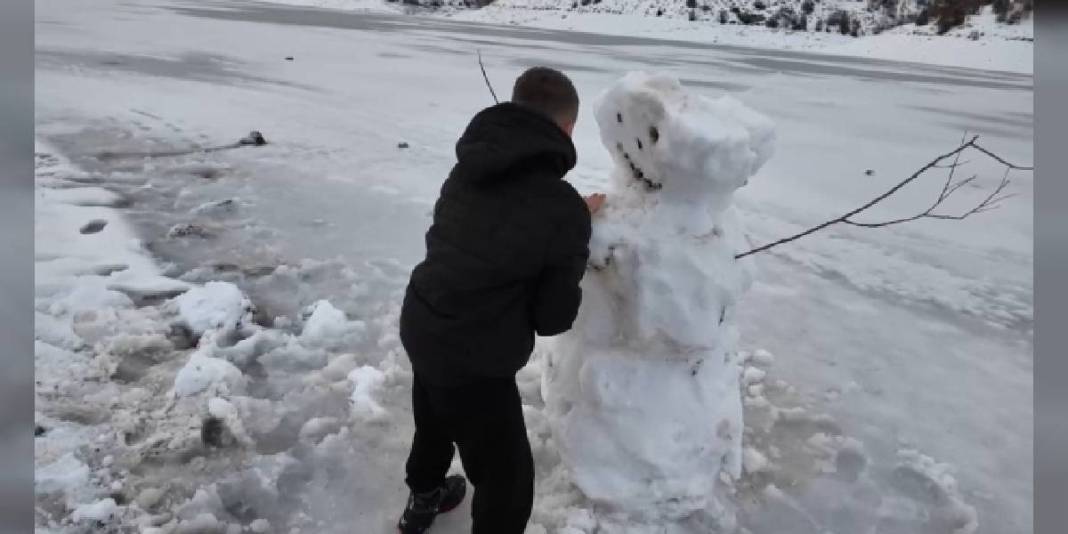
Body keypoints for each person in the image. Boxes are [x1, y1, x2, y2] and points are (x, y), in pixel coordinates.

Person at [397, 66, 605, 534]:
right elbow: (553, 318)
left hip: (422, 318)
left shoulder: (468, 167)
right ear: (568, 128)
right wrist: (575, 227)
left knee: (434, 414)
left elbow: (492, 225)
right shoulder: (561, 209)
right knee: (507, 482)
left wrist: (569, 216)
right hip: (475, 358)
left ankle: (424, 496)